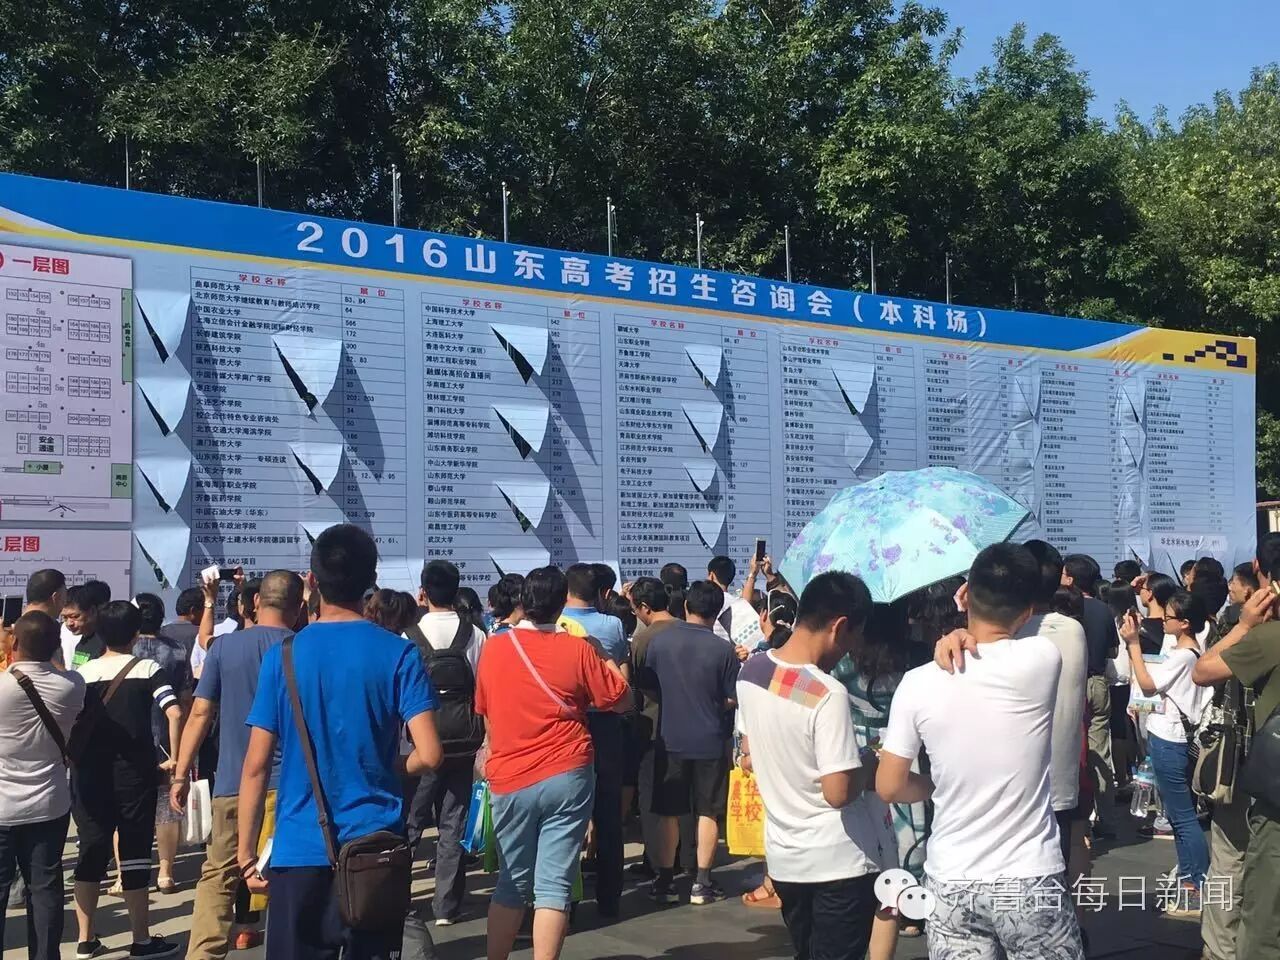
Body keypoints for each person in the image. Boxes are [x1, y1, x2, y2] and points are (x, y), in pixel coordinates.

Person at [238, 525, 443, 960]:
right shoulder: (399, 653)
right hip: (374, 849)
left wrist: (245, 854)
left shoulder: (283, 656)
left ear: (312, 581)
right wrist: (387, 765)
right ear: (371, 580)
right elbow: (429, 755)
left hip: (299, 848)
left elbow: (256, 766)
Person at [879, 544, 1084, 960]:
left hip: (950, 878)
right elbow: (1007, 638)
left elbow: (888, 785)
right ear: (1028, 610)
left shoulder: (917, 682)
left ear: (967, 594)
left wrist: (934, 786)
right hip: (1028, 875)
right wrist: (962, 627)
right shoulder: (1043, 658)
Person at [475, 566, 631, 960]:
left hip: (510, 773)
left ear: (523, 602)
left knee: (511, 882)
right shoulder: (578, 649)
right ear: (562, 604)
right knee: (554, 884)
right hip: (568, 771)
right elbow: (621, 699)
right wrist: (600, 653)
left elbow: (486, 713)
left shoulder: (495, 648)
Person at [737, 572, 883, 960]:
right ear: (840, 626)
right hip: (838, 862)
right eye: (853, 638)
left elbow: (749, 748)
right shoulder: (827, 693)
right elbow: (838, 792)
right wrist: (868, 762)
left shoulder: (752, 671)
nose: (850, 650)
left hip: (785, 859)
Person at [171, 570, 304, 960]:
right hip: (290, 786)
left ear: (256, 602)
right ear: (298, 608)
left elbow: (200, 714)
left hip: (232, 783)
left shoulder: (224, 648)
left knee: (219, 876)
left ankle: (204, 954)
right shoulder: (303, 647)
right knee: (291, 878)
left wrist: (181, 773)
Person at [72, 600, 182, 959]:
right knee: (135, 854)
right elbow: (174, 711)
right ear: (136, 633)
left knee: (90, 851)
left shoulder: (82, 673)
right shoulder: (147, 668)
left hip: (88, 774)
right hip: (135, 774)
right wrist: (174, 759)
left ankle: (85, 940)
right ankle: (141, 939)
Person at [1192, 532, 1280, 960]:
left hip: (1246, 768)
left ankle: (1221, 950)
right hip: (1253, 767)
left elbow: (1203, 670)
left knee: (1234, 865)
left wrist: (1245, 625)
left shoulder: (1259, 633)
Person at [639, 580, 740, 906]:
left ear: (686, 606)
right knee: (708, 812)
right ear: (717, 612)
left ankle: (664, 880)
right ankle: (702, 882)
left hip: (670, 737)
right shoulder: (723, 650)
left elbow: (648, 686)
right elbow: (732, 697)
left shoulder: (660, 643)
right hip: (710, 740)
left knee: (668, 811)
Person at [404, 559, 486, 926]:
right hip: (465, 739)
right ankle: (446, 906)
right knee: (454, 822)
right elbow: (483, 689)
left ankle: (398, 896)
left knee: (411, 822)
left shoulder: (408, 636)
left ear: (422, 592)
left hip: (421, 744)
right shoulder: (475, 634)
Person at [0, 611, 86, 960]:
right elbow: (62, 671)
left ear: (15, 642)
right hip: (49, 803)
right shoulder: (73, 686)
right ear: (56, 646)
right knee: (45, 888)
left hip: (2, 806)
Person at [1122, 591, 1209, 916]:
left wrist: (1133, 644)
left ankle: (1196, 886)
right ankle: (1189, 880)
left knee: (1183, 818)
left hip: (1169, 739)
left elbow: (1147, 684)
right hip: (1173, 737)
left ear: (1184, 623)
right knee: (1178, 816)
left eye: (1169, 617)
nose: (1163, 621)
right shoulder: (1187, 651)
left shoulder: (1183, 656)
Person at [558, 562, 630, 918]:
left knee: (568, 816)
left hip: (568, 723)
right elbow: (621, 672)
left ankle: (567, 900)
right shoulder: (612, 625)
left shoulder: (557, 625)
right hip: (606, 722)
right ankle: (610, 896)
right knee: (608, 812)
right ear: (602, 592)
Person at [628, 578, 690, 883]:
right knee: (683, 798)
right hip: (688, 726)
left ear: (644, 607)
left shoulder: (643, 639)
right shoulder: (690, 630)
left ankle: (657, 861)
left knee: (652, 800)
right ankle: (684, 857)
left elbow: (636, 685)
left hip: (653, 726)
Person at [1061, 554, 1119, 838]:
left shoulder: (1062, 610)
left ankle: (1074, 816)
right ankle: (1107, 817)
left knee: (1069, 750)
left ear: (1070, 578)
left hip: (1072, 683)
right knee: (1100, 752)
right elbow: (1113, 651)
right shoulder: (1104, 609)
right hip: (1098, 683)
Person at [706, 555, 765, 654]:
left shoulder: (705, 601)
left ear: (711, 575)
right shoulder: (736, 603)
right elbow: (745, 603)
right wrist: (753, 573)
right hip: (734, 656)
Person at [62, 582, 108, 670]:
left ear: (92, 611)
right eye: (65, 617)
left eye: (75, 616)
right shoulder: (83, 641)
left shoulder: (106, 644)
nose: (69, 623)